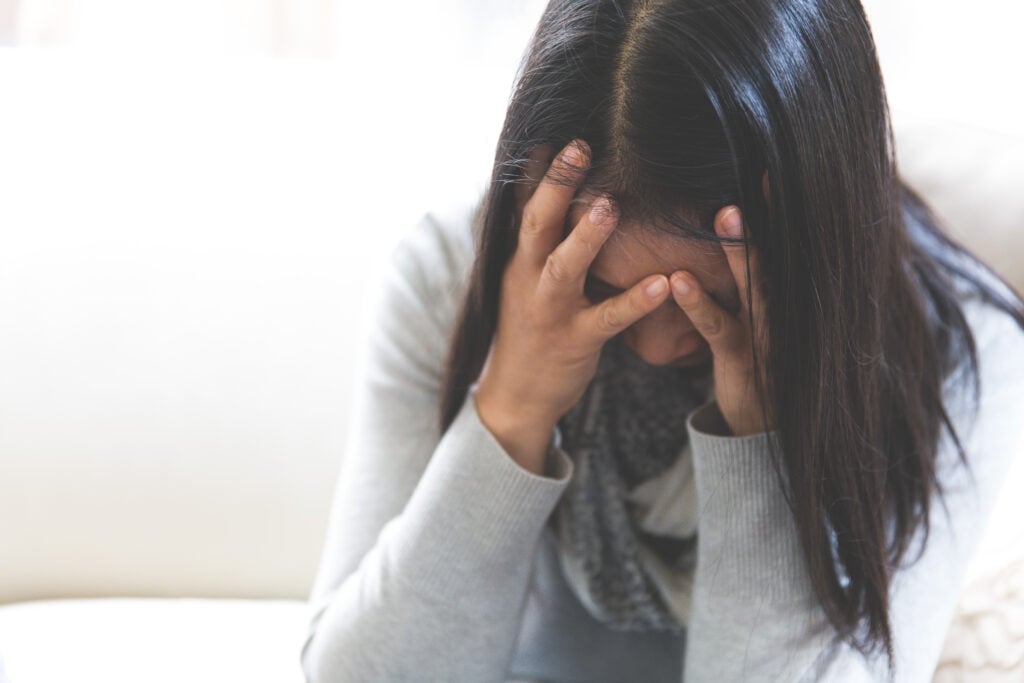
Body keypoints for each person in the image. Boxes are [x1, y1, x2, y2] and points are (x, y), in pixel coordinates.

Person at [300, 0, 1024, 681]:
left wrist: (761, 436)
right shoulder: (452, 278)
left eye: (714, 301)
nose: (652, 346)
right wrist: (512, 408)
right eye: (608, 291)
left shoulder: (962, 352)